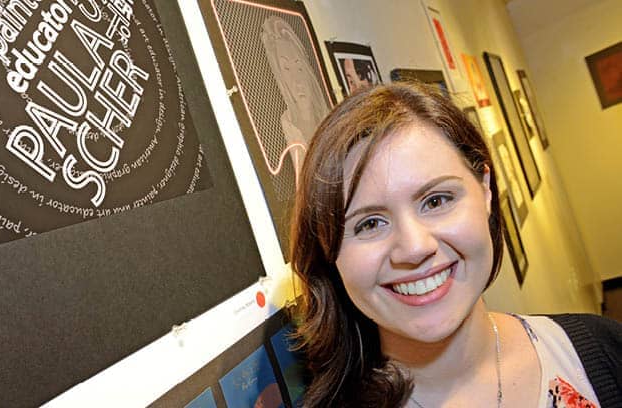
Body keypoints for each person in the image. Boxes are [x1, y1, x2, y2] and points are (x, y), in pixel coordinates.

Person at [289, 82, 622, 407]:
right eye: (370, 223)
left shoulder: (605, 349)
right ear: (328, 252)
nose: (415, 247)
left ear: (486, 190)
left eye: (436, 201)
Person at [261, 16, 330, 186]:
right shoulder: (284, 130)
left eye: (299, 67)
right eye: (286, 69)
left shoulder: (330, 121)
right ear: (278, 75)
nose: (297, 80)